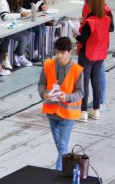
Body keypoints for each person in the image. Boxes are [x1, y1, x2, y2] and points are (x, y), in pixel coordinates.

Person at [39, 37, 84, 171]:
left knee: (63, 146)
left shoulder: (77, 70)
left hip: (68, 114)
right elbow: (41, 83)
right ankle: (72, 168)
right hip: (52, 113)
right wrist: (43, 93)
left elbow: (81, 92)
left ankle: (58, 174)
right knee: (60, 146)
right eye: (57, 52)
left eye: (62, 53)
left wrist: (67, 97)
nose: (59, 56)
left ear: (70, 52)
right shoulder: (48, 65)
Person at [74, 0, 110, 122]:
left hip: (87, 55)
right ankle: (96, 110)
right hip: (100, 55)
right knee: (96, 82)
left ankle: (83, 112)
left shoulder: (90, 22)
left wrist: (75, 35)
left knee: (83, 84)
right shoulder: (106, 19)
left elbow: (82, 39)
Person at [0, 0, 34, 68]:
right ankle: (20, 56)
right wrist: (20, 15)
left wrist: (32, 10)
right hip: (0, 27)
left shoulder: (12, 2)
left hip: (9, 26)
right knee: (23, 38)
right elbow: (5, 17)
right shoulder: (3, 2)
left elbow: (21, 10)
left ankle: (17, 54)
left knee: (29, 35)